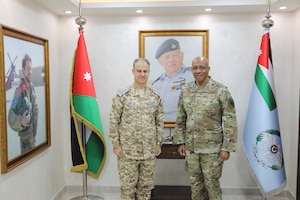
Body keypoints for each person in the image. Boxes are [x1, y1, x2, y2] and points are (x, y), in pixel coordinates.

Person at [173, 56, 238, 200]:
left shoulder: (220, 90)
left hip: (212, 150)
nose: (198, 71)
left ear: (208, 69)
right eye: (195, 68)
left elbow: (230, 120)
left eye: (202, 67)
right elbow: (181, 118)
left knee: (212, 186)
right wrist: (181, 142)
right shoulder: (186, 90)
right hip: (191, 148)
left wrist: (226, 148)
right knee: (195, 186)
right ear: (191, 70)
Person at [109, 58, 164, 200]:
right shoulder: (123, 95)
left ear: (149, 72)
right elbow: (114, 121)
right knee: (128, 190)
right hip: (127, 152)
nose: (142, 74)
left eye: (145, 71)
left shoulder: (155, 96)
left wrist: (158, 142)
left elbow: (159, 121)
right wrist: (116, 145)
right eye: (139, 71)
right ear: (133, 72)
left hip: (148, 152)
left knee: (145, 190)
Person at [152, 38, 194, 121]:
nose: (171, 59)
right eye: (167, 57)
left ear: (182, 56)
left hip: (184, 129)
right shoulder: (156, 84)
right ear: (160, 62)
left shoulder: (193, 76)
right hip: (162, 130)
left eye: (175, 55)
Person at [8, 54, 39, 154]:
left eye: (31, 68)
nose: (30, 72)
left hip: (33, 138)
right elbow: (10, 117)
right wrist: (21, 121)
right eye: (28, 68)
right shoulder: (18, 91)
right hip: (25, 142)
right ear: (23, 70)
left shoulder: (32, 87)